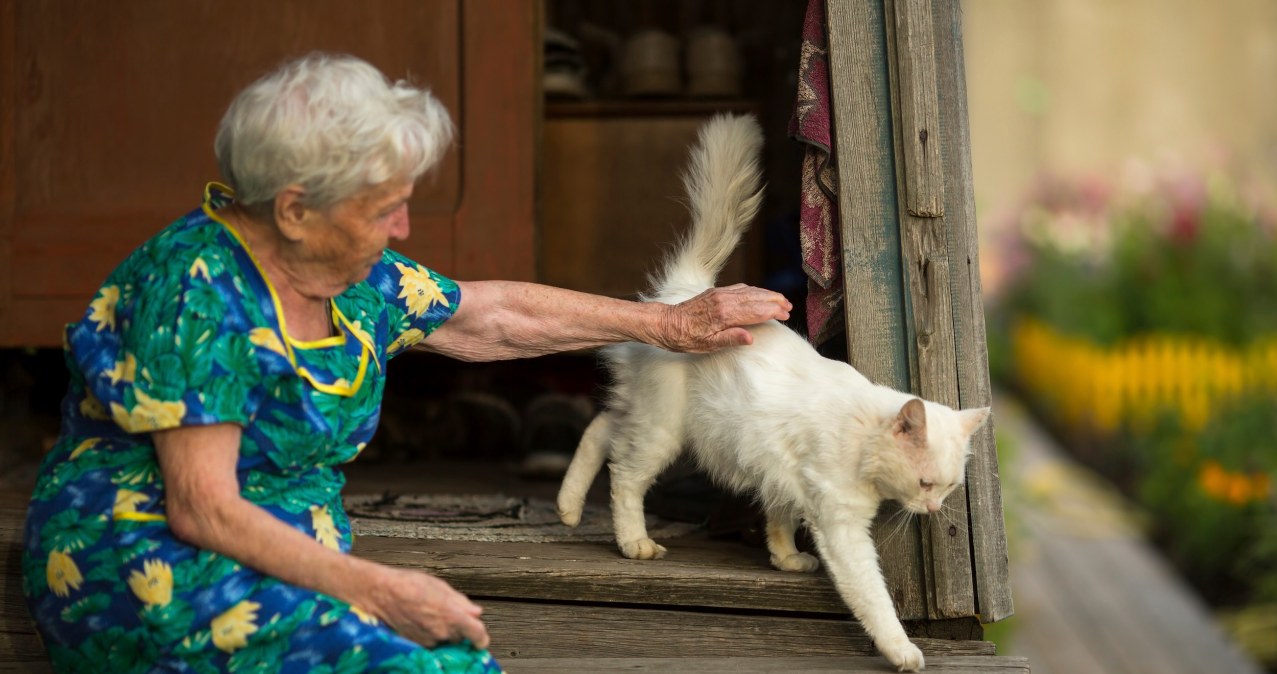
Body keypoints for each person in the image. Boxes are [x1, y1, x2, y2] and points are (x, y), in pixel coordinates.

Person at [21, 53, 791, 673]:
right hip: (154, 569)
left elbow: (489, 316)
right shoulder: (196, 291)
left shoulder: (350, 275)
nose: (404, 226)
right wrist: (381, 589)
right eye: (383, 207)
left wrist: (666, 324)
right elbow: (203, 509)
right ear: (294, 209)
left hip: (289, 558)